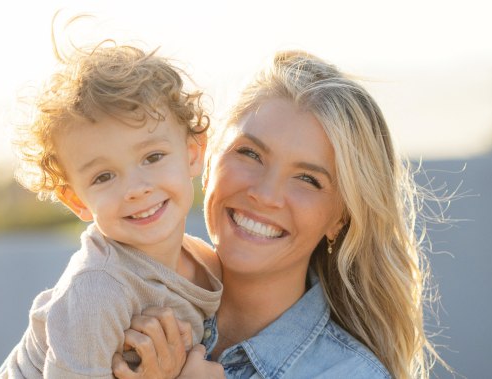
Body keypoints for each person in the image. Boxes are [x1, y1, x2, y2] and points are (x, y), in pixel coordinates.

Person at [112, 50, 447, 379]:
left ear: (340, 219)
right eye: (249, 153)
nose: (265, 194)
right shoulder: (119, 300)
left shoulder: (350, 373)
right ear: (209, 158)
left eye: (307, 179)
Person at [0, 40, 223, 378]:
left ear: (192, 152)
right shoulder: (97, 290)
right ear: (77, 200)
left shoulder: (205, 260)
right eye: (104, 176)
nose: (135, 189)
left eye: (153, 157)